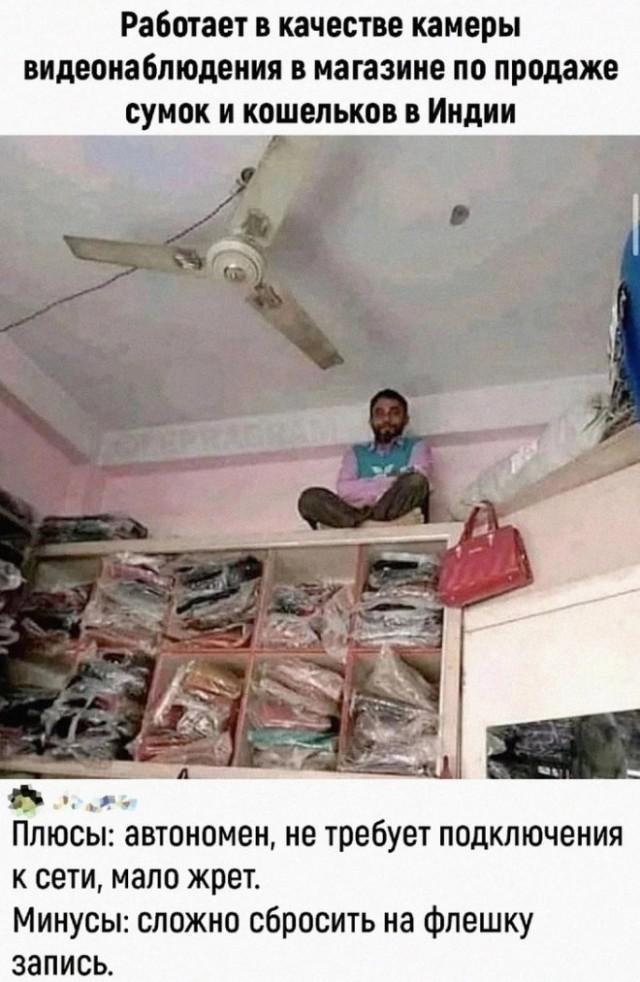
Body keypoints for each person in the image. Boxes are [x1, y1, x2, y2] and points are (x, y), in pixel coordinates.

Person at [298, 389, 432, 529]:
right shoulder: (356, 452)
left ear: (406, 420)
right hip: (357, 512)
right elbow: (344, 490)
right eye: (380, 414)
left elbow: (418, 478)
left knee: (415, 481)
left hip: (391, 509)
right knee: (309, 498)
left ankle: (352, 526)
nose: (386, 419)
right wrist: (392, 479)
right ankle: (374, 526)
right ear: (371, 420)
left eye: (394, 413)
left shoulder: (417, 446)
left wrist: (365, 488)